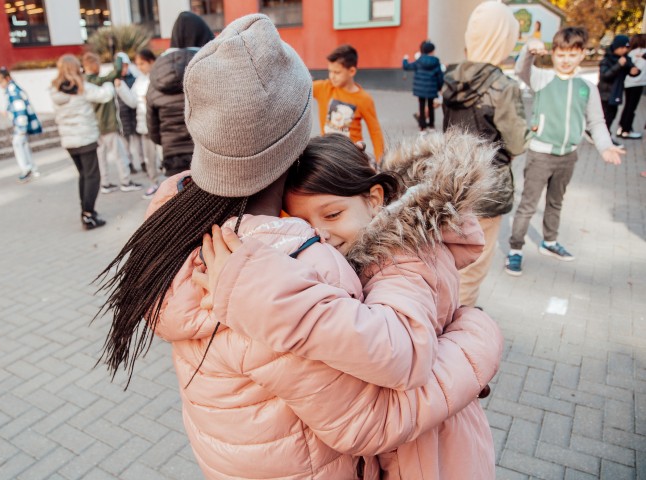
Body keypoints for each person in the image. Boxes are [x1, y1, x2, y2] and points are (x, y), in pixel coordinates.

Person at [97, 14, 502, 480]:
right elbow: (376, 419)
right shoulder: (279, 266)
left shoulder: (174, 215)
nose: (325, 232)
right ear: (298, 133)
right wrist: (478, 335)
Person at [506, 27, 624, 276]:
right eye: (561, 54)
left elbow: (597, 122)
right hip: (540, 155)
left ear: (581, 54)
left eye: (572, 54)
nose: (566, 60)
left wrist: (605, 146)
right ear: (555, 54)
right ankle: (515, 249)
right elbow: (521, 70)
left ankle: (549, 242)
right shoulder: (542, 78)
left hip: (568, 156)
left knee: (556, 202)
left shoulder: (586, 88)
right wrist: (529, 49)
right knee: (527, 205)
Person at [441, 1, 529, 306]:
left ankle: (443, 311)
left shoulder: (451, 79)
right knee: (474, 265)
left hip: (453, 182)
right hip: (487, 190)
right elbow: (516, 143)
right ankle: (458, 327)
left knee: (449, 257)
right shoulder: (504, 87)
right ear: (503, 39)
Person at [49, 54, 115, 230]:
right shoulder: (82, 87)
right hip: (85, 139)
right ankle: (89, 215)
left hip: (69, 142)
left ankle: (85, 211)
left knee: (83, 175)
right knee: (93, 176)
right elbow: (105, 95)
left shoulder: (55, 90)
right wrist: (109, 82)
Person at [147, 11, 214, 177]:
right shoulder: (213, 70)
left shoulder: (156, 77)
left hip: (173, 158)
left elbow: (153, 128)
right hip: (208, 155)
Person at [82, 52, 143, 194]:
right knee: (120, 155)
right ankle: (126, 181)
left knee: (101, 157)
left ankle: (104, 183)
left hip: (95, 127)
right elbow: (115, 72)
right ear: (94, 65)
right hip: (108, 125)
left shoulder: (85, 83)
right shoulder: (98, 82)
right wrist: (120, 57)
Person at [313, 44, 385, 164]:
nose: (332, 76)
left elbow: (375, 132)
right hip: (327, 154)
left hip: (352, 157)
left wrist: (381, 162)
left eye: (337, 72)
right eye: (330, 71)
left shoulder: (364, 99)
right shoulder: (323, 88)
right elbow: (301, 86)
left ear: (351, 71)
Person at [0, 68, 42, 182]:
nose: (0, 85)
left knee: (18, 144)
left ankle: (26, 169)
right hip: (22, 123)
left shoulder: (12, 90)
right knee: (24, 145)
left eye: (1, 82)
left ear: (7, 78)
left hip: (21, 124)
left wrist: (21, 127)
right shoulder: (13, 89)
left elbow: (20, 108)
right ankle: (32, 168)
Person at [131, 48, 161, 199]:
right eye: (137, 64)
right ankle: (154, 183)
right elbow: (131, 101)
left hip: (160, 126)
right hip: (144, 126)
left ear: (151, 61)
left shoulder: (160, 76)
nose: (139, 67)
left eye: (142, 63)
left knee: (162, 157)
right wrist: (119, 87)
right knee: (149, 158)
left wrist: (149, 100)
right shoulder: (139, 80)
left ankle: (169, 185)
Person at [598, 35, 640, 141]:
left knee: (612, 115)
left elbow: (631, 69)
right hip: (605, 93)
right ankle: (603, 136)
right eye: (622, 47)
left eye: (626, 48)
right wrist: (618, 65)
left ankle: (605, 135)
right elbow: (605, 76)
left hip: (616, 92)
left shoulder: (626, 58)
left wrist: (635, 72)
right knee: (605, 116)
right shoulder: (607, 59)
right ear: (616, 46)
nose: (624, 50)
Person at [114, 52, 144, 176]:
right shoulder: (114, 80)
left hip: (133, 115)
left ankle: (143, 162)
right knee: (125, 144)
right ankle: (129, 163)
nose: (124, 69)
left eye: (126, 66)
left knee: (138, 142)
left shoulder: (135, 79)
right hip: (122, 117)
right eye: (122, 66)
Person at [403, 40, 443, 131]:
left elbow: (407, 66)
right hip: (431, 88)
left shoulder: (419, 61)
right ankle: (432, 125)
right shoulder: (436, 61)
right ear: (432, 51)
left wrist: (405, 59)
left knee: (421, 106)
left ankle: (422, 127)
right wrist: (440, 87)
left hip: (420, 89)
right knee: (430, 106)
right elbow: (440, 76)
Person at [618, 34, 646, 139]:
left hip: (628, 83)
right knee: (631, 108)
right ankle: (626, 130)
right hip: (637, 83)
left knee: (627, 106)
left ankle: (622, 127)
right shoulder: (643, 53)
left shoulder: (630, 53)